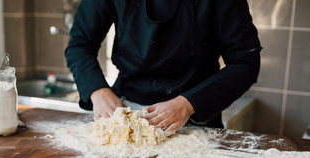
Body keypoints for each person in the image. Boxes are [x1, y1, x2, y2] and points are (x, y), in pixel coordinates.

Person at [65, 0, 262, 131]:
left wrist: (186, 104)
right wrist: (97, 91)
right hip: (125, 116)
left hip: (194, 121)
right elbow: (79, 45)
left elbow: (245, 63)